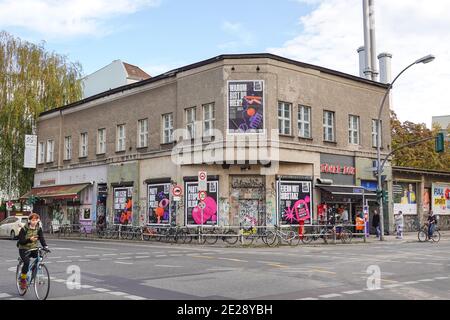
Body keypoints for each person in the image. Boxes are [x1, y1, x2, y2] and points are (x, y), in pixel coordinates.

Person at [17, 213, 49, 290]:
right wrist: (29, 239)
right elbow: (21, 241)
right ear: (29, 220)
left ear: (38, 221)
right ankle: (23, 280)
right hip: (23, 249)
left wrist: (45, 246)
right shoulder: (24, 229)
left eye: (36, 220)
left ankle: (32, 269)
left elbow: (41, 238)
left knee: (40, 257)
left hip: (33, 248)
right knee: (27, 262)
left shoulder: (38, 229)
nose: (34, 222)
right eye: (33, 220)